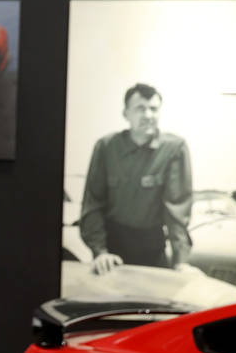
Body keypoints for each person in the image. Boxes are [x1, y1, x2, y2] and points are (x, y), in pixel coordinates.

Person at [79, 82, 194, 275]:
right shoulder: (106, 147)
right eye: (140, 108)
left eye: (153, 109)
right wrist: (100, 252)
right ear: (126, 114)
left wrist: (180, 261)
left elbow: (177, 211)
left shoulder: (174, 149)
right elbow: (93, 205)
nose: (148, 115)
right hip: (112, 252)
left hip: (153, 249)